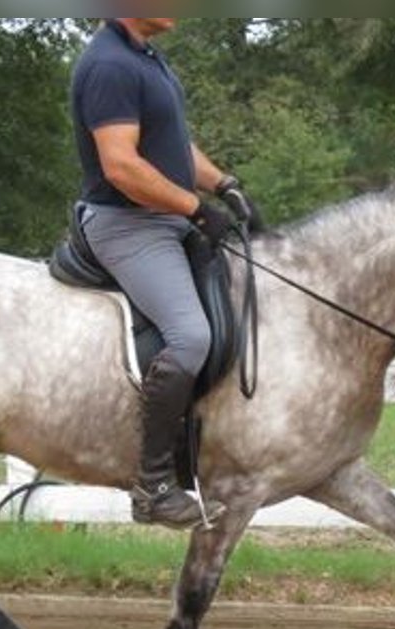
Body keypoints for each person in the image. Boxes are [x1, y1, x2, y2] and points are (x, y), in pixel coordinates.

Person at [70, 17, 261, 530]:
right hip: (128, 223)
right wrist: (194, 209)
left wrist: (224, 183)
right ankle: (153, 486)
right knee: (191, 337)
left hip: (163, 216)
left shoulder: (145, 57)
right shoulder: (109, 65)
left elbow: (172, 147)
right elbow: (122, 167)